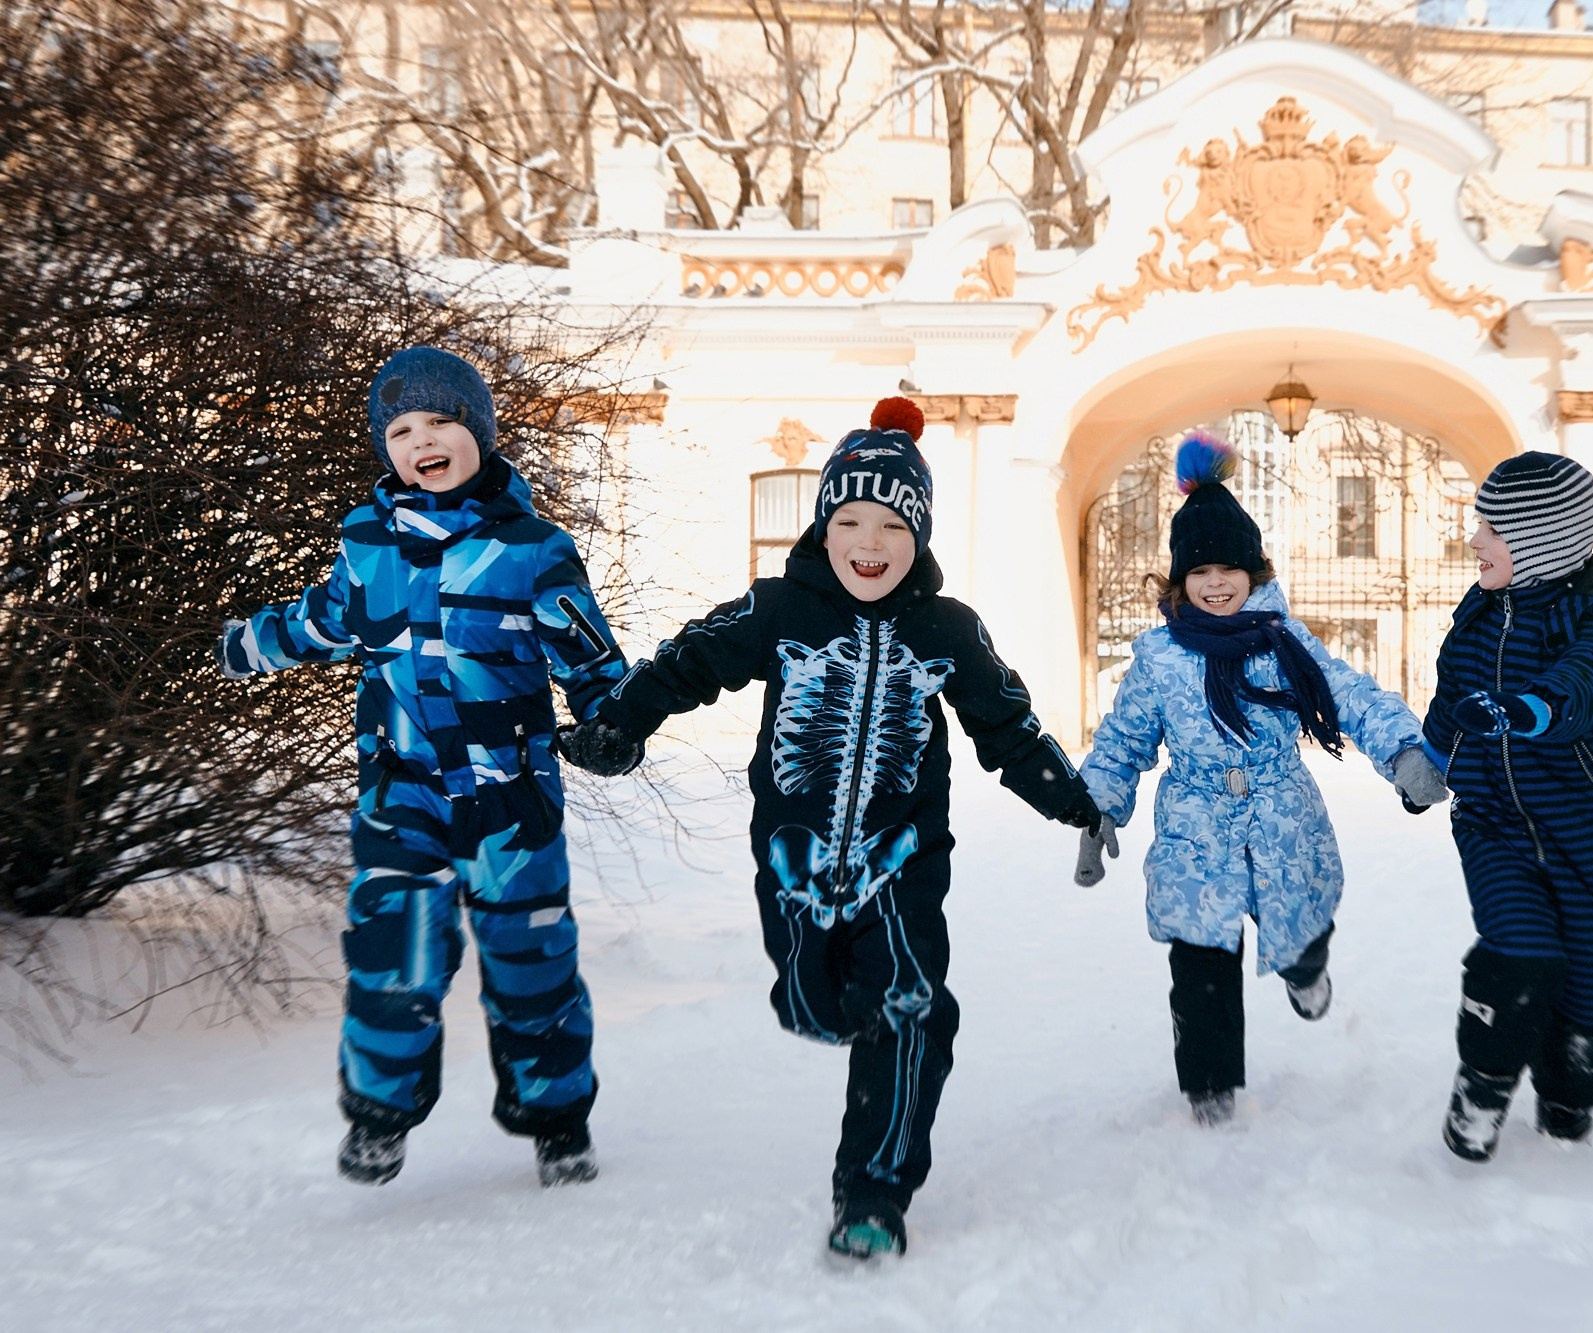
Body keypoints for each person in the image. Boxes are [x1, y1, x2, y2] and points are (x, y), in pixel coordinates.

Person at [560, 397, 1102, 1262]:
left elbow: (1006, 724)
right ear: (822, 527)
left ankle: (875, 1193)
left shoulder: (948, 629)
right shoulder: (779, 610)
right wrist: (621, 722)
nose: (871, 539)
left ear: (918, 537)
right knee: (817, 1004)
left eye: (893, 523)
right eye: (851, 517)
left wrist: (1070, 797)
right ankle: (843, 1022)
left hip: (903, 860)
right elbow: (689, 660)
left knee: (911, 1007)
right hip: (792, 857)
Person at [217, 347, 627, 1189]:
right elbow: (324, 618)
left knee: (530, 956)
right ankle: (379, 1116)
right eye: (402, 429)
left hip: (511, 798)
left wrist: (613, 723)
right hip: (401, 792)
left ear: (478, 430)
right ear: (386, 448)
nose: (422, 440)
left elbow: (592, 660)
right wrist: (247, 643)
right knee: (391, 949)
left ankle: (557, 1120)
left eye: (442, 421)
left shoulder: (533, 550)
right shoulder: (369, 546)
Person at [1072, 434, 1448, 1126]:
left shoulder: (1284, 640)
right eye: (1200, 571)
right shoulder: (1159, 657)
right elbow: (1124, 738)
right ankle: (1209, 1087)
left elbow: (1347, 693)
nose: (1216, 582)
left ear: (1254, 570)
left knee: (1301, 928)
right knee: (1200, 960)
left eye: (1230, 568)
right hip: (1195, 827)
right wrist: (1096, 805)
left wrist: (1403, 751)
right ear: (1179, 581)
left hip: (1282, 816)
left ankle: (1307, 969)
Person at [1420, 450, 1593, 1162]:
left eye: (1492, 528)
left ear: (1542, 539)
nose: (1474, 540)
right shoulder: (1478, 617)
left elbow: (1586, 686)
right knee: (1518, 950)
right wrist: (1430, 763)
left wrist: (1525, 707)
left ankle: (1568, 1094)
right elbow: (1451, 700)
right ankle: (1483, 1085)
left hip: (1585, 827)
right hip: (1494, 825)